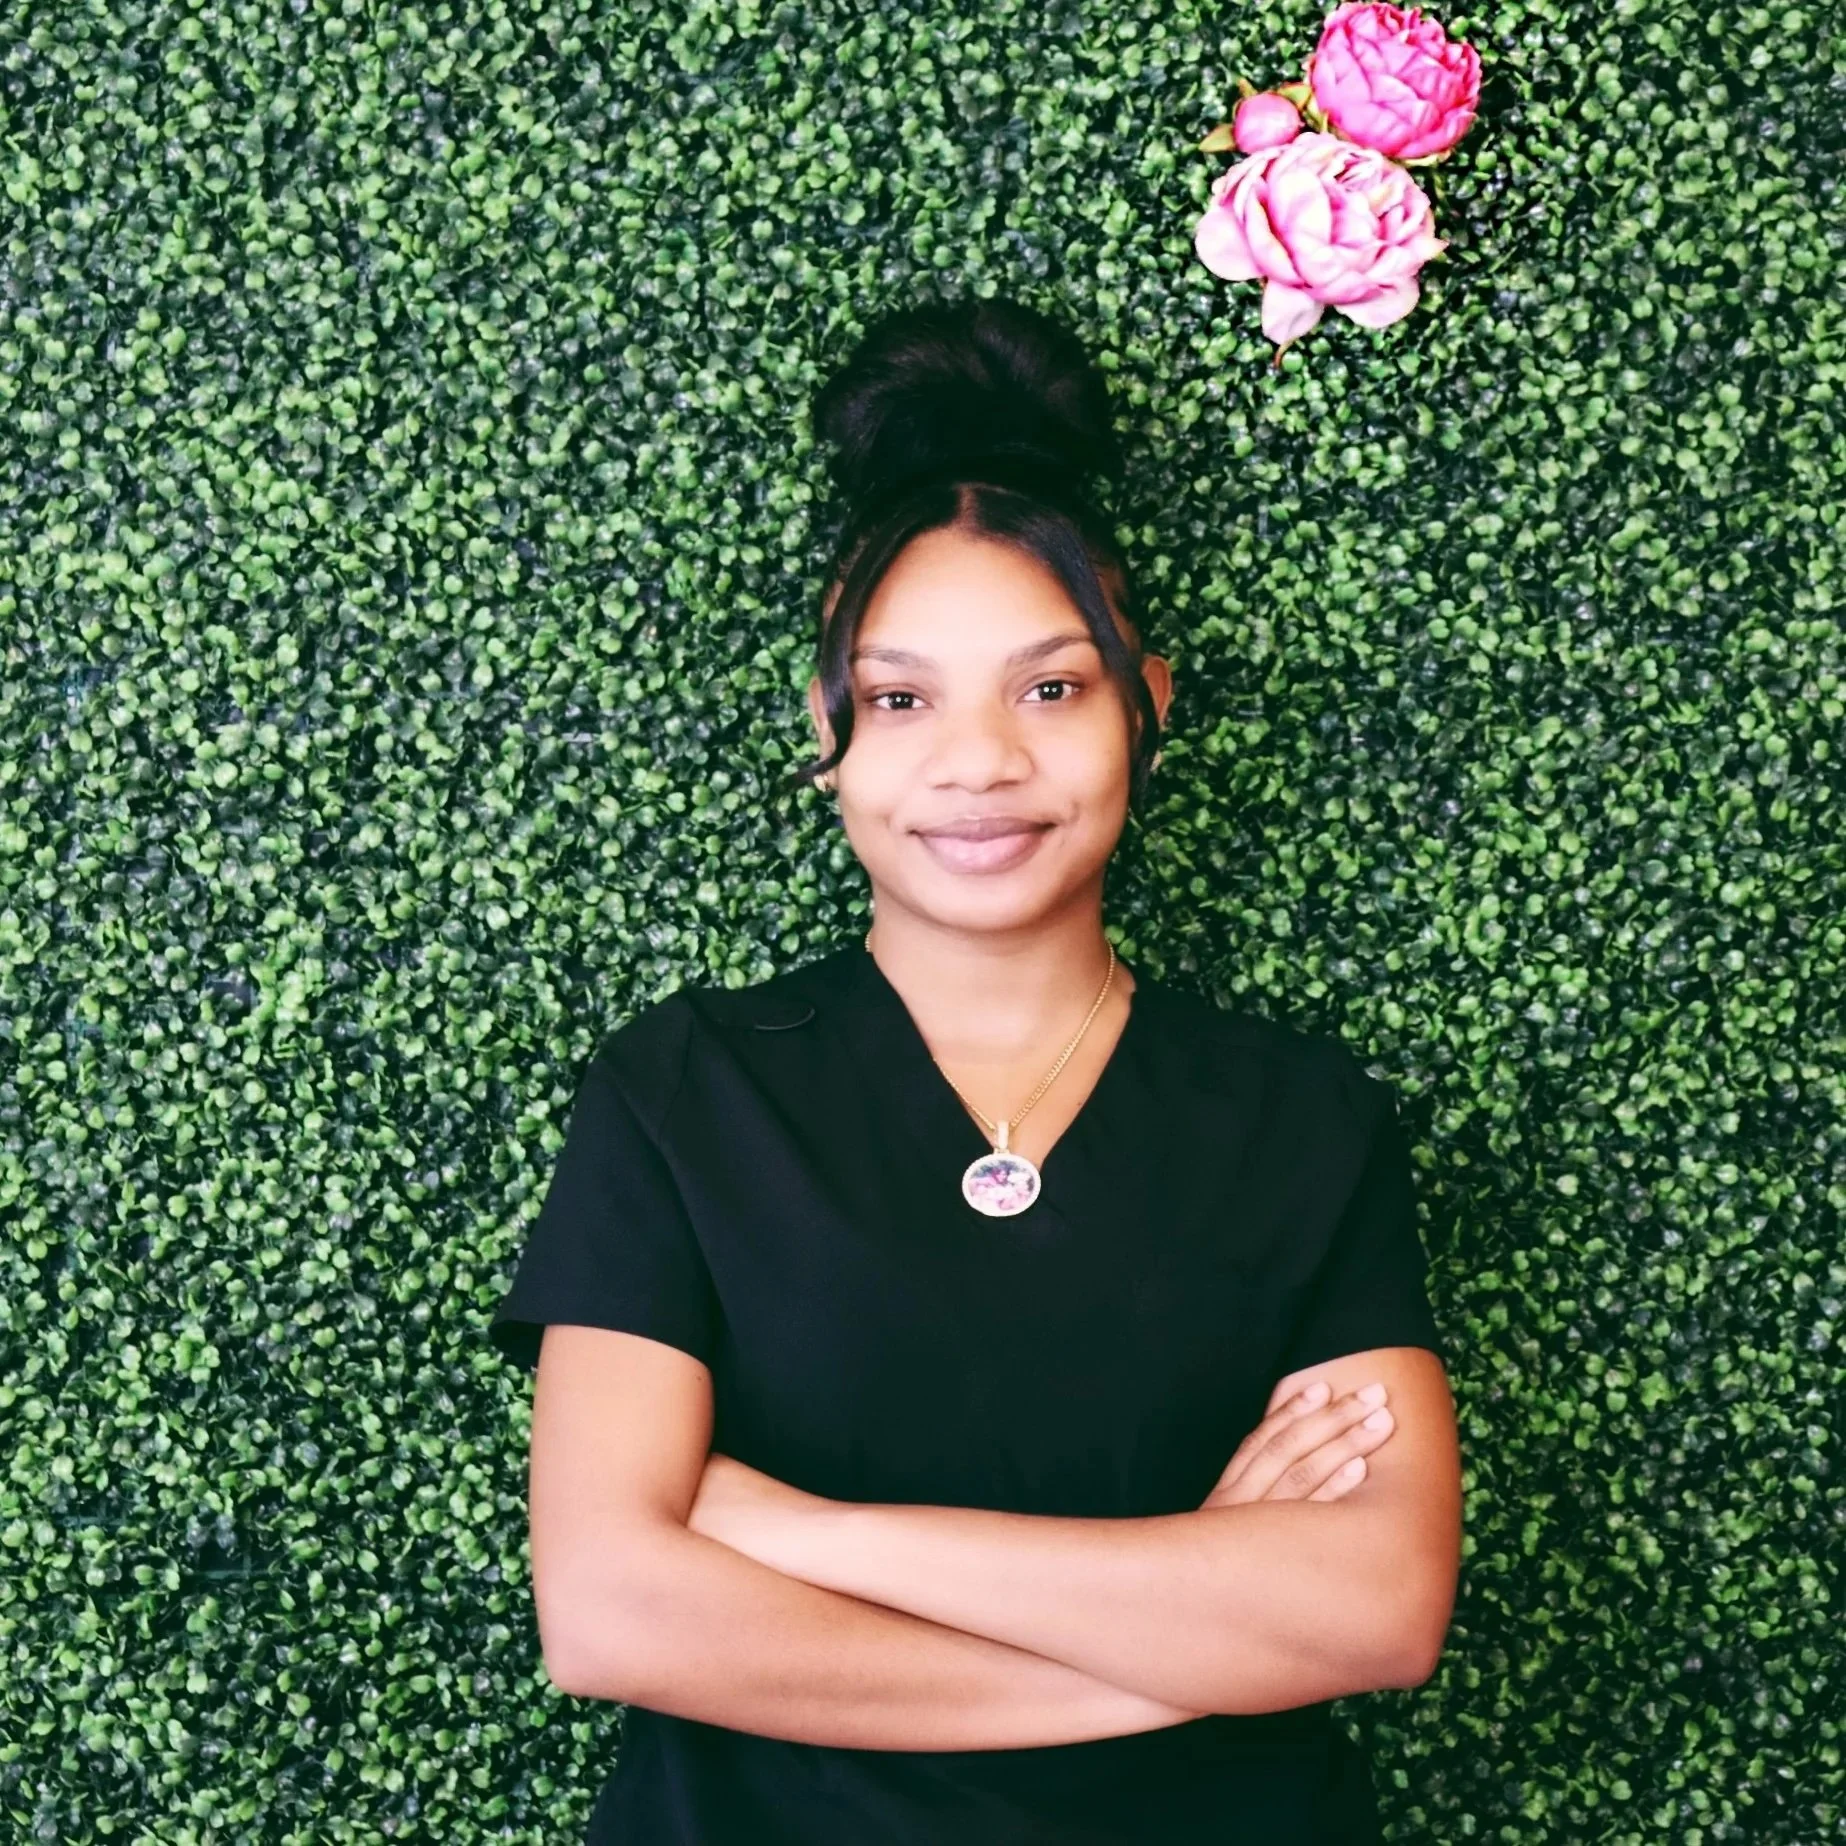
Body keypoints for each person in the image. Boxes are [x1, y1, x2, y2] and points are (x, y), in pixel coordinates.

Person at [488, 293, 1462, 1844]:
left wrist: (805, 1531)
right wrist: (1171, 1652)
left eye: (1050, 686)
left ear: (1147, 703)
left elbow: (1375, 1607)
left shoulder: (1299, 1117)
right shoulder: (683, 1092)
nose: (978, 762)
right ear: (828, 730)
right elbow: (612, 1611)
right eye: (900, 696)